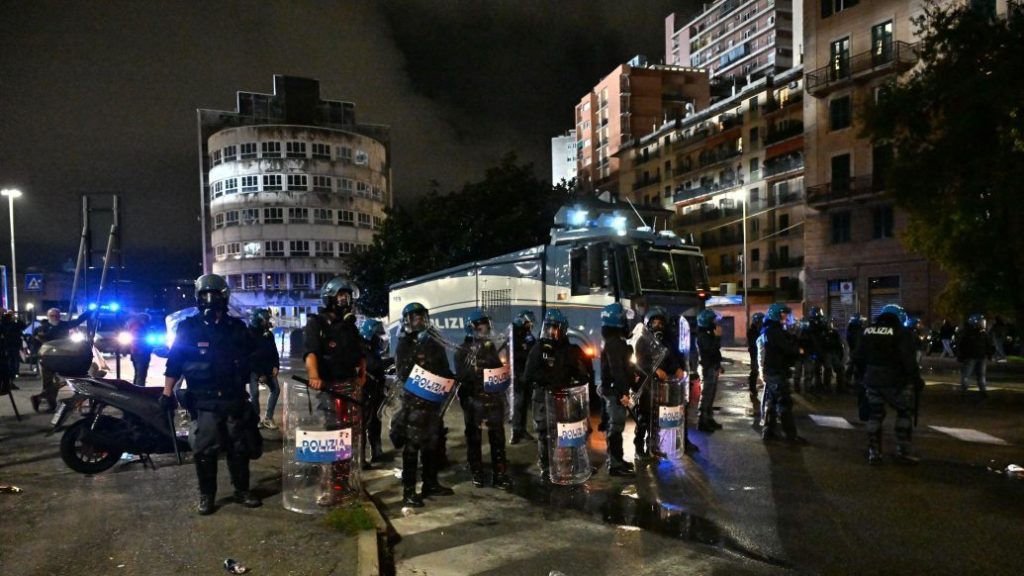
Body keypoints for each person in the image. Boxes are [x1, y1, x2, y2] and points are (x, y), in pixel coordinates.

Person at [161, 274, 261, 515]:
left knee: (239, 448)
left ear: (223, 297)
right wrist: (167, 393)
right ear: (198, 297)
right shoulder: (188, 328)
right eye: (205, 295)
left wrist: (265, 370)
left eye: (214, 295)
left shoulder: (237, 328)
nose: (210, 300)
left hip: (234, 398)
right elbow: (174, 363)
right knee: (205, 449)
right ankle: (207, 495)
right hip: (204, 399)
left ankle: (242, 490)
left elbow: (254, 356)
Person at [303, 277, 367, 505]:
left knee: (349, 437)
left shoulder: (350, 325)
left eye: (347, 295)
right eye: (340, 295)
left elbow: (360, 354)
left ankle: (344, 483)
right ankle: (328, 487)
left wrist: (361, 375)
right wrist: (314, 376)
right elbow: (311, 352)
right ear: (329, 297)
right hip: (329, 388)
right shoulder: (317, 322)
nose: (344, 299)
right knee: (331, 437)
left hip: (349, 388)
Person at [392, 302, 455, 507]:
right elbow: (403, 372)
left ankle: (430, 483)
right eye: (415, 316)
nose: (419, 320)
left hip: (433, 402)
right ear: (408, 320)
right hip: (414, 403)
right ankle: (409, 491)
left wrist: (451, 380)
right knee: (412, 446)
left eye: (422, 316)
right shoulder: (404, 343)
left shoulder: (434, 341)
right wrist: (416, 347)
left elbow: (444, 367)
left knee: (432, 444)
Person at [523, 309, 592, 480]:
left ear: (562, 329)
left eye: (554, 327)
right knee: (545, 434)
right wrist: (548, 380)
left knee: (566, 434)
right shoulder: (538, 349)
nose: (551, 331)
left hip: (564, 401)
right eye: (548, 327)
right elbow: (528, 375)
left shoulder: (571, 350)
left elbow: (584, 374)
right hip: (543, 400)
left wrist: (574, 381)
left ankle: (569, 466)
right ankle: (546, 468)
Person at [851, 304, 922, 465]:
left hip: (872, 380)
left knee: (875, 415)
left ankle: (874, 452)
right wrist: (915, 379)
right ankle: (902, 450)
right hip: (895, 381)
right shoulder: (902, 332)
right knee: (904, 412)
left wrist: (864, 376)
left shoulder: (868, 330)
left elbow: (857, 356)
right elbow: (908, 359)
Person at [455, 310, 513, 490]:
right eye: (481, 325)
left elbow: (498, 368)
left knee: (498, 438)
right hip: (473, 400)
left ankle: (500, 475)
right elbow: (462, 376)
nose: (485, 328)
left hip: (492, 399)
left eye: (486, 324)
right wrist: (477, 374)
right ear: (471, 327)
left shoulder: (489, 347)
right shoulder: (463, 350)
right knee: (474, 438)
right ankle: (477, 472)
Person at [634, 307, 688, 455]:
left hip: (662, 387)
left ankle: (654, 446)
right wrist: (655, 370)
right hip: (646, 385)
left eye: (660, 323)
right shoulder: (643, 341)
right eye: (655, 323)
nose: (658, 326)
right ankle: (639, 448)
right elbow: (640, 363)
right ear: (649, 324)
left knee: (658, 418)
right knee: (644, 417)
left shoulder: (667, 341)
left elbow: (671, 359)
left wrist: (677, 368)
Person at [759, 303, 806, 445]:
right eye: (783, 314)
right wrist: (798, 351)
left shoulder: (771, 330)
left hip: (773, 371)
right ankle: (790, 435)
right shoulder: (775, 331)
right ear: (776, 315)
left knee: (772, 402)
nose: (786, 316)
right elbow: (787, 348)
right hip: (777, 372)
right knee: (784, 403)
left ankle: (769, 431)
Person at [598, 303, 636, 477]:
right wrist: (622, 393)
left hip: (615, 390)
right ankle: (615, 465)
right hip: (615, 392)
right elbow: (616, 370)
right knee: (615, 427)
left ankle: (618, 460)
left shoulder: (614, 341)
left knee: (617, 426)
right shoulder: (614, 343)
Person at [31, 307, 91, 413]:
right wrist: (37, 354)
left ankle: (40, 398)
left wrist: (90, 311)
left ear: (59, 316)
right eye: (52, 315)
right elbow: (35, 343)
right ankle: (51, 405)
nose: (55, 317)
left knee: (63, 381)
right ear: (48, 316)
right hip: (46, 359)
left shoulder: (64, 325)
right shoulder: (42, 328)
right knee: (47, 383)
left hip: (62, 358)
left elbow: (78, 321)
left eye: (57, 315)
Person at [359, 318, 387, 466]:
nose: (380, 337)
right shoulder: (363, 349)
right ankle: (361, 457)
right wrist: (391, 361)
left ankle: (377, 451)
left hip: (375, 391)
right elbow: (374, 365)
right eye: (377, 334)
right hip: (366, 392)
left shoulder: (372, 349)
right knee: (363, 424)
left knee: (375, 422)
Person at [247, 308, 280, 429]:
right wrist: (261, 374)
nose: (267, 322)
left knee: (276, 390)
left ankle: (268, 418)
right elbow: (250, 357)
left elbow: (274, 351)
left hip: (268, 368)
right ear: (258, 320)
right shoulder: (248, 334)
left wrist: (276, 366)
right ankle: (256, 419)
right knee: (254, 394)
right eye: (265, 320)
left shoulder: (268, 334)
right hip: (254, 369)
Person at [510, 310, 537, 445]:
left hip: (526, 373)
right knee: (518, 402)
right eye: (528, 323)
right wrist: (525, 350)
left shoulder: (527, 334)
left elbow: (533, 347)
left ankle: (522, 429)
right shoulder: (513, 334)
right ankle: (515, 431)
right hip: (517, 373)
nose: (530, 325)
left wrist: (526, 349)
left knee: (525, 402)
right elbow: (513, 354)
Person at [695, 309, 723, 432]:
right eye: (713, 320)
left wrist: (718, 365)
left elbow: (715, 352)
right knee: (706, 396)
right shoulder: (703, 336)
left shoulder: (708, 334)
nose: (715, 323)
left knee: (711, 396)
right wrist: (717, 338)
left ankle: (709, 418)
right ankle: (702, 421)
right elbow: (711, 350)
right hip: (707, 369)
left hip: (712, 367)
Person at [957, 314, 990, 399]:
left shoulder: (972, 333)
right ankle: (978, 391)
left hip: (977, 357)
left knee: (974, 375)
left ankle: (978, 391)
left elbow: (962, 345)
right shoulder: (974, 333)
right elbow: (962, 345)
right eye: (981, 322)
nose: (983, 324)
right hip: (974, 357)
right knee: (973, 375)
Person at [126, 313, 154, 387]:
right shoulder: (138, 327)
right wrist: (143, 349)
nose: (148, 322)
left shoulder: (136, 326)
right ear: (143, 319)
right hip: (141, 353)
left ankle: (135, 389)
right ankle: (139, 389)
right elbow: (137, 340)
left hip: (137, 352)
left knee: (138, 374)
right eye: (147, 320)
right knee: (141, 375)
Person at [1, 311, 27, 389]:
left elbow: (23, 325)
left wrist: (16, 319)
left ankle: (12, 377)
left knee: (14, 362)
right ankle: (10, 379)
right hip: (7, 346)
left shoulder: (14, 324)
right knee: (10, 362)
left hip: (14, 345)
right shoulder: (5, 324)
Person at [746, 312, 765, 419]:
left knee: (756, 370)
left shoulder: (759, 329)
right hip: (754, 354)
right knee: (754, 370)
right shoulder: (752, 331)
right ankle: (752, 387)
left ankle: (752, 387)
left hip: (758, 353)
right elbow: (754, 343)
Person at [821, 320, 847, 393]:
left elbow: (839, 343)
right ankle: (827, 387)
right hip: (828, 353)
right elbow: (822, 344)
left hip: (834, 353)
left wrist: (840, 353)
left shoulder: (835, 333)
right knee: (828, 370)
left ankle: (840, 387)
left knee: (839, 369)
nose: (830, 325)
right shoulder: (824, 333)